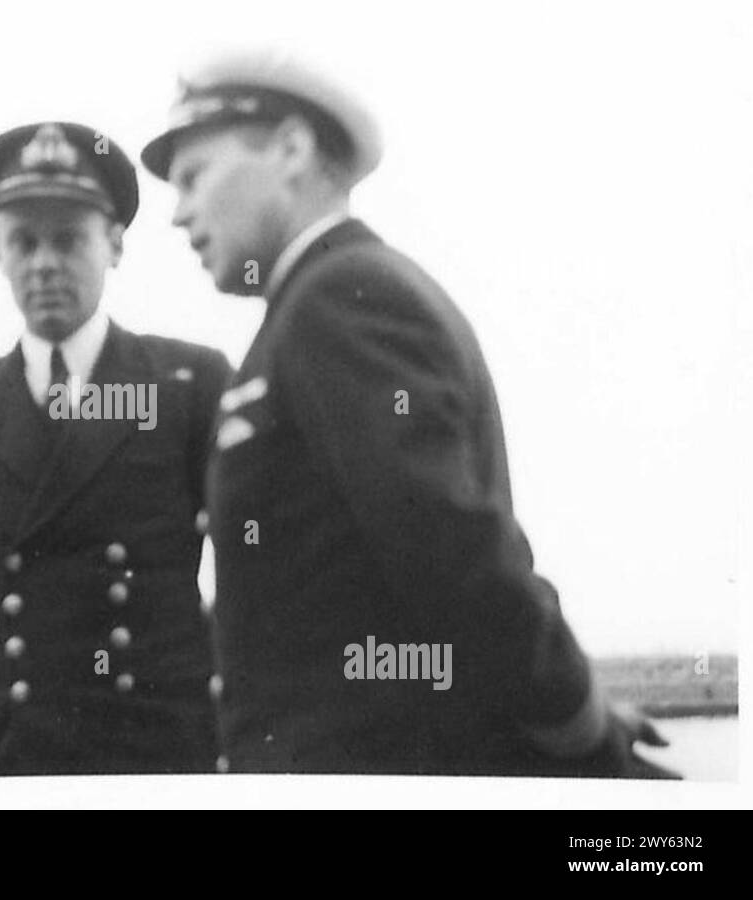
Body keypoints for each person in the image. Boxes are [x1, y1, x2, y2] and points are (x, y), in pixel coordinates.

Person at [140, 47, 676, 776]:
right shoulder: (314, 307)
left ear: (292, 149)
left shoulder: (339, 300)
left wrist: (580, 724)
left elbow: (451, 543)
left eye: (194, 177)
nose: (177, 214)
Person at [0, 121, 231, 774]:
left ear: (113, 244)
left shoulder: (187, 386)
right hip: (8, 758)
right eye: (23, 242)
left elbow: (255, 570)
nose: (44, 263)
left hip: (156, 752)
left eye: (69, 240)